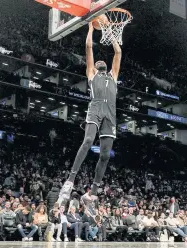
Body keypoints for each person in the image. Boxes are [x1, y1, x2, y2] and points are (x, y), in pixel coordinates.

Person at [57, 22, 122, 207]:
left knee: (105, 156)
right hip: (95, 109)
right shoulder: (92, 73)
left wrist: (110, 33)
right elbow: (88, 47)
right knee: (87, 141)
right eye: (97, 62)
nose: (100, 61)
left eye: (103, 61)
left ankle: (92, 192)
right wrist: (91, 28)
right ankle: (70, 180)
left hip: (110, 114)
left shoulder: (113, 76)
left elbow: (118, 53)